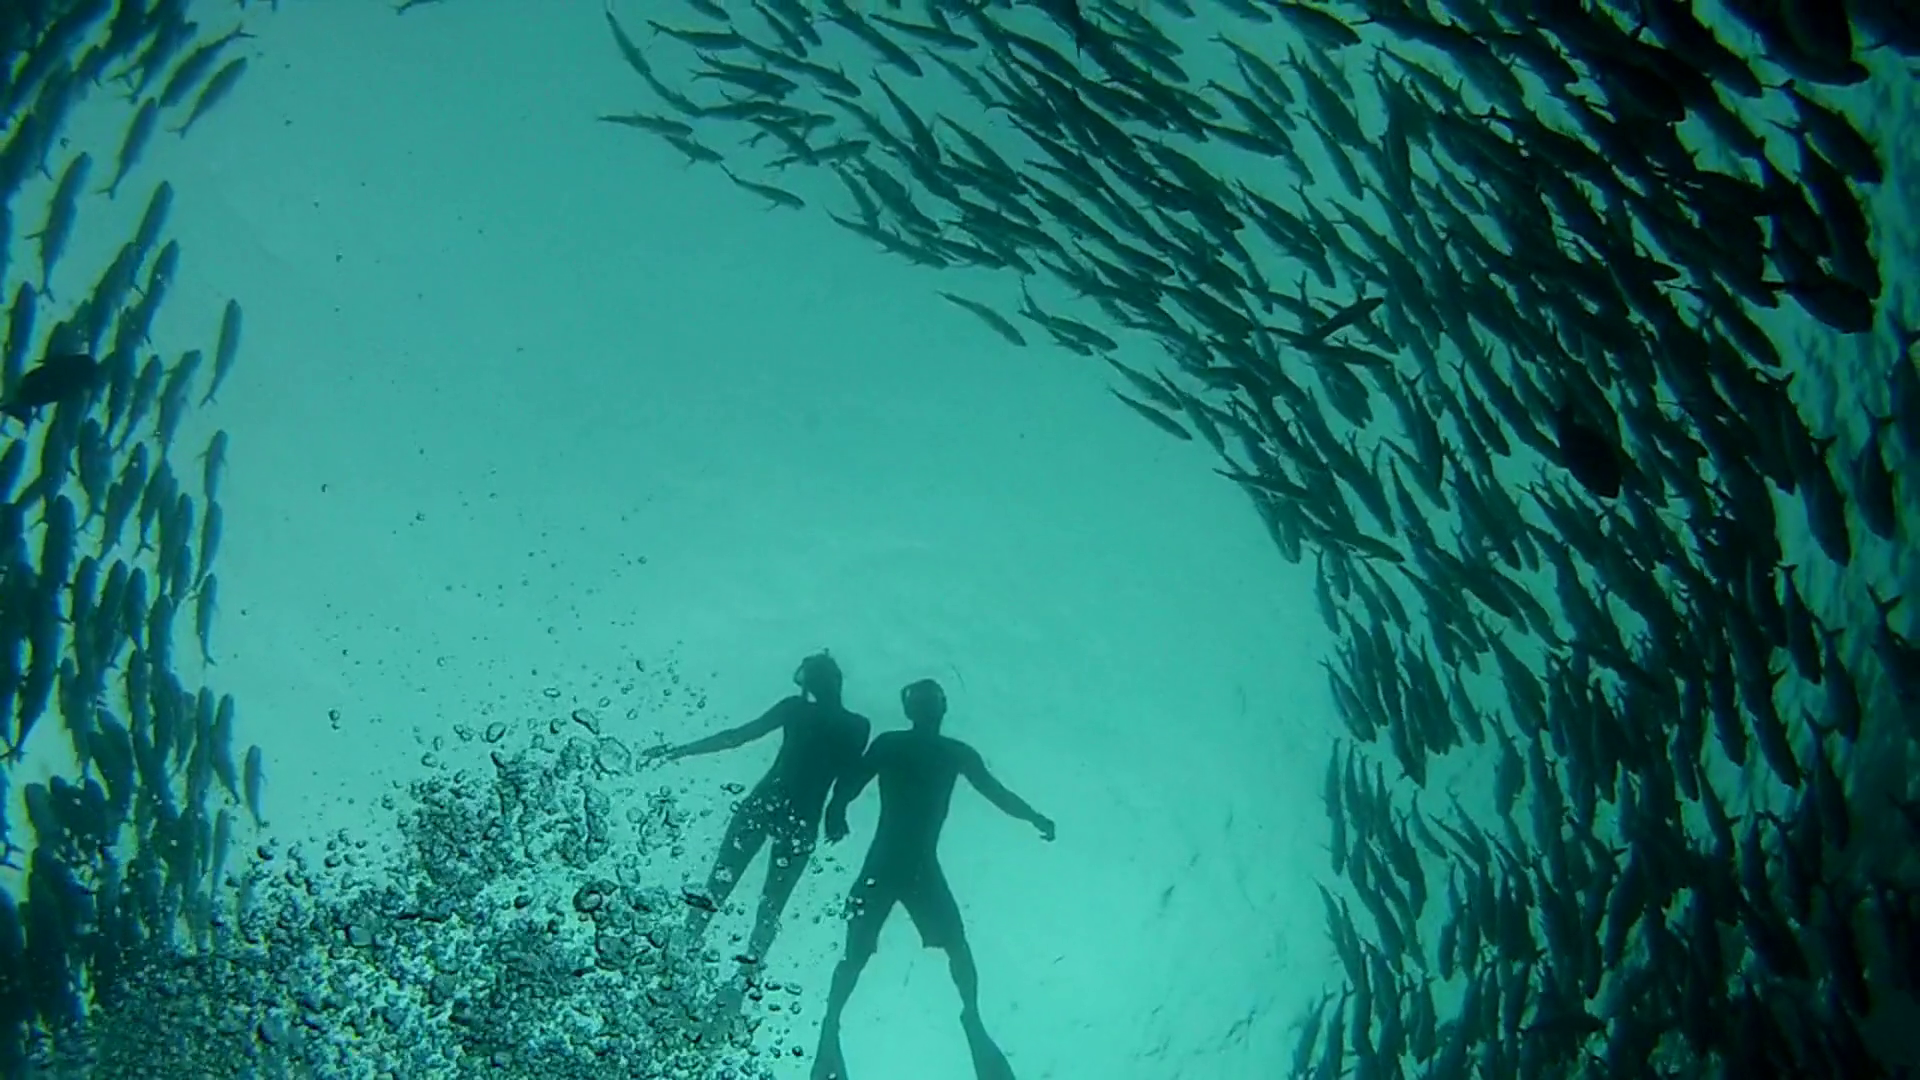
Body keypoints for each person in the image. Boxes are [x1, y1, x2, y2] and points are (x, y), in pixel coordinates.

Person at [812, 678, 1054, 1080]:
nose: (926, 705)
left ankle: (972, 1017)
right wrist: (836, 808)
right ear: (912, 709)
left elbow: (996, 792)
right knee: (857, 949)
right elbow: (854, 779)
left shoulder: (955, 753)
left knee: (956, 944)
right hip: (888, 861)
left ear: (941, 707)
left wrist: (1033, 816)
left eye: (931, 698)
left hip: (918, 864)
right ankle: (830, 1021)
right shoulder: (893, 744)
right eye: (919, 699)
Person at [644, 651, 871, 969]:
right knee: (756, 901)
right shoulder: (852, 724)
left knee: (738, 894)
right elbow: (846, 778)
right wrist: (837, 811)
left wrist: (838, 810)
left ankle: (711, 964)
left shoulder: (807, 712)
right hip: (795, 815)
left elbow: (737, 737)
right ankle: (726, 969)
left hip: (769, 805)